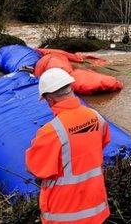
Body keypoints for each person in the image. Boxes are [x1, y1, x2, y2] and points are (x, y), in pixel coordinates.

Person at [26, 68, 110, 224]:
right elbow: (103, 143)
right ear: (71, 88)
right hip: (97, 210)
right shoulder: (97, 117)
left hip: (65, 215)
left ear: (49, 98)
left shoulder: (50, 132)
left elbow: (35, 168)